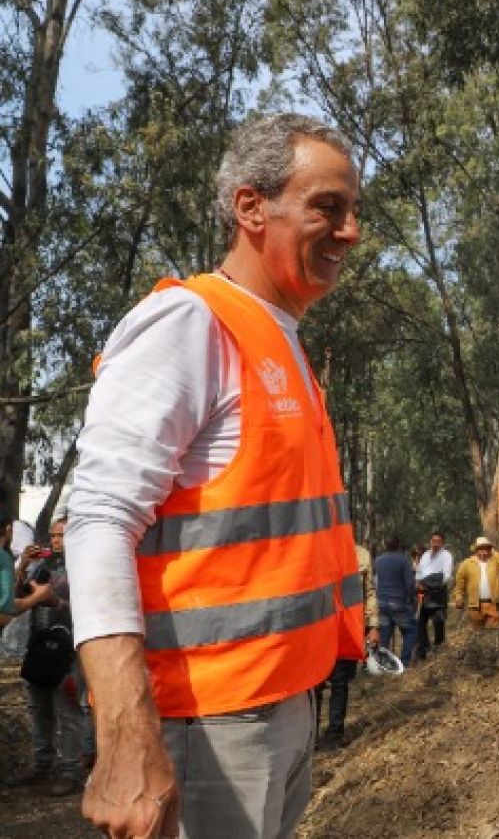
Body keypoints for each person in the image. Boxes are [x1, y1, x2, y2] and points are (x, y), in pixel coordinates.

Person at [65, 113, 365, 839]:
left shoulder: (279, 337)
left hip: (279, 706)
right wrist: (127, 735)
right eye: (328, 207)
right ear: (250, 207)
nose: (351, 230)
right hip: (206, 722)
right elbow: (99, 519)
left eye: (355, 211)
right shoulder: (190, 323)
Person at [6, 518, 85, 797]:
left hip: (68, 648)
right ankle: (42, 765)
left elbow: (93, 607)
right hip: (38, 645)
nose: (55, 541)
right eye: (52, 536)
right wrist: (24, 564)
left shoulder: (83, 567)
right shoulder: (44, 567)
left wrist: (57, 603)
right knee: (39, 708)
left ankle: (71, 770)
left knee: (67, 710)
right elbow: (13, 596)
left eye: (60, 535)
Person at [315, 544, 379, 751]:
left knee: (340, 682)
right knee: (314, 685)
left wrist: (373, 626)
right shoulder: (313, 548)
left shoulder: (361, 555)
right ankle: (309, 737)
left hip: (347, 628)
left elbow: (369, 592)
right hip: (318, 628)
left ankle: (334, 735)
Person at [375, 535, 418, 665]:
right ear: (398, 546)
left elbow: (376, 580)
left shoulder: (378, 560)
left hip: (382, 602)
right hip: (398, 602)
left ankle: (382, 664)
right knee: (411, 631)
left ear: (385, 545)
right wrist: (411, 598)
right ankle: (403, 663)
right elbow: (410, 584)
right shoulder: (403, 560)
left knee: (384, 634)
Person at [452, 537, 499, 628]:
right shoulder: (467, 563)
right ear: (476, 550)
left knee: (493, 631)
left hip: (493, 603)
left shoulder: (494, 561)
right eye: (480, 549)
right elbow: (460, 582)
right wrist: (458, 596)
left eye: (486, 549)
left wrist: (494, 552)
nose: (483, 552)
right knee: (477, 632)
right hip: (475, 604)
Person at [413, 530, 453, 659]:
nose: (435, 544)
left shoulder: (447, 556)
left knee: (438, 623)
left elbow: (446, 577)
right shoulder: (425, 556)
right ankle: (423, 650)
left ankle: (439, 650)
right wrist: (419, 582)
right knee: (419, 624)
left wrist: (430, 582)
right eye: (433, 541)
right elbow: (419, 572)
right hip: (424, 595)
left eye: (438, 541)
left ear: (442, 543)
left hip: (438, 595)